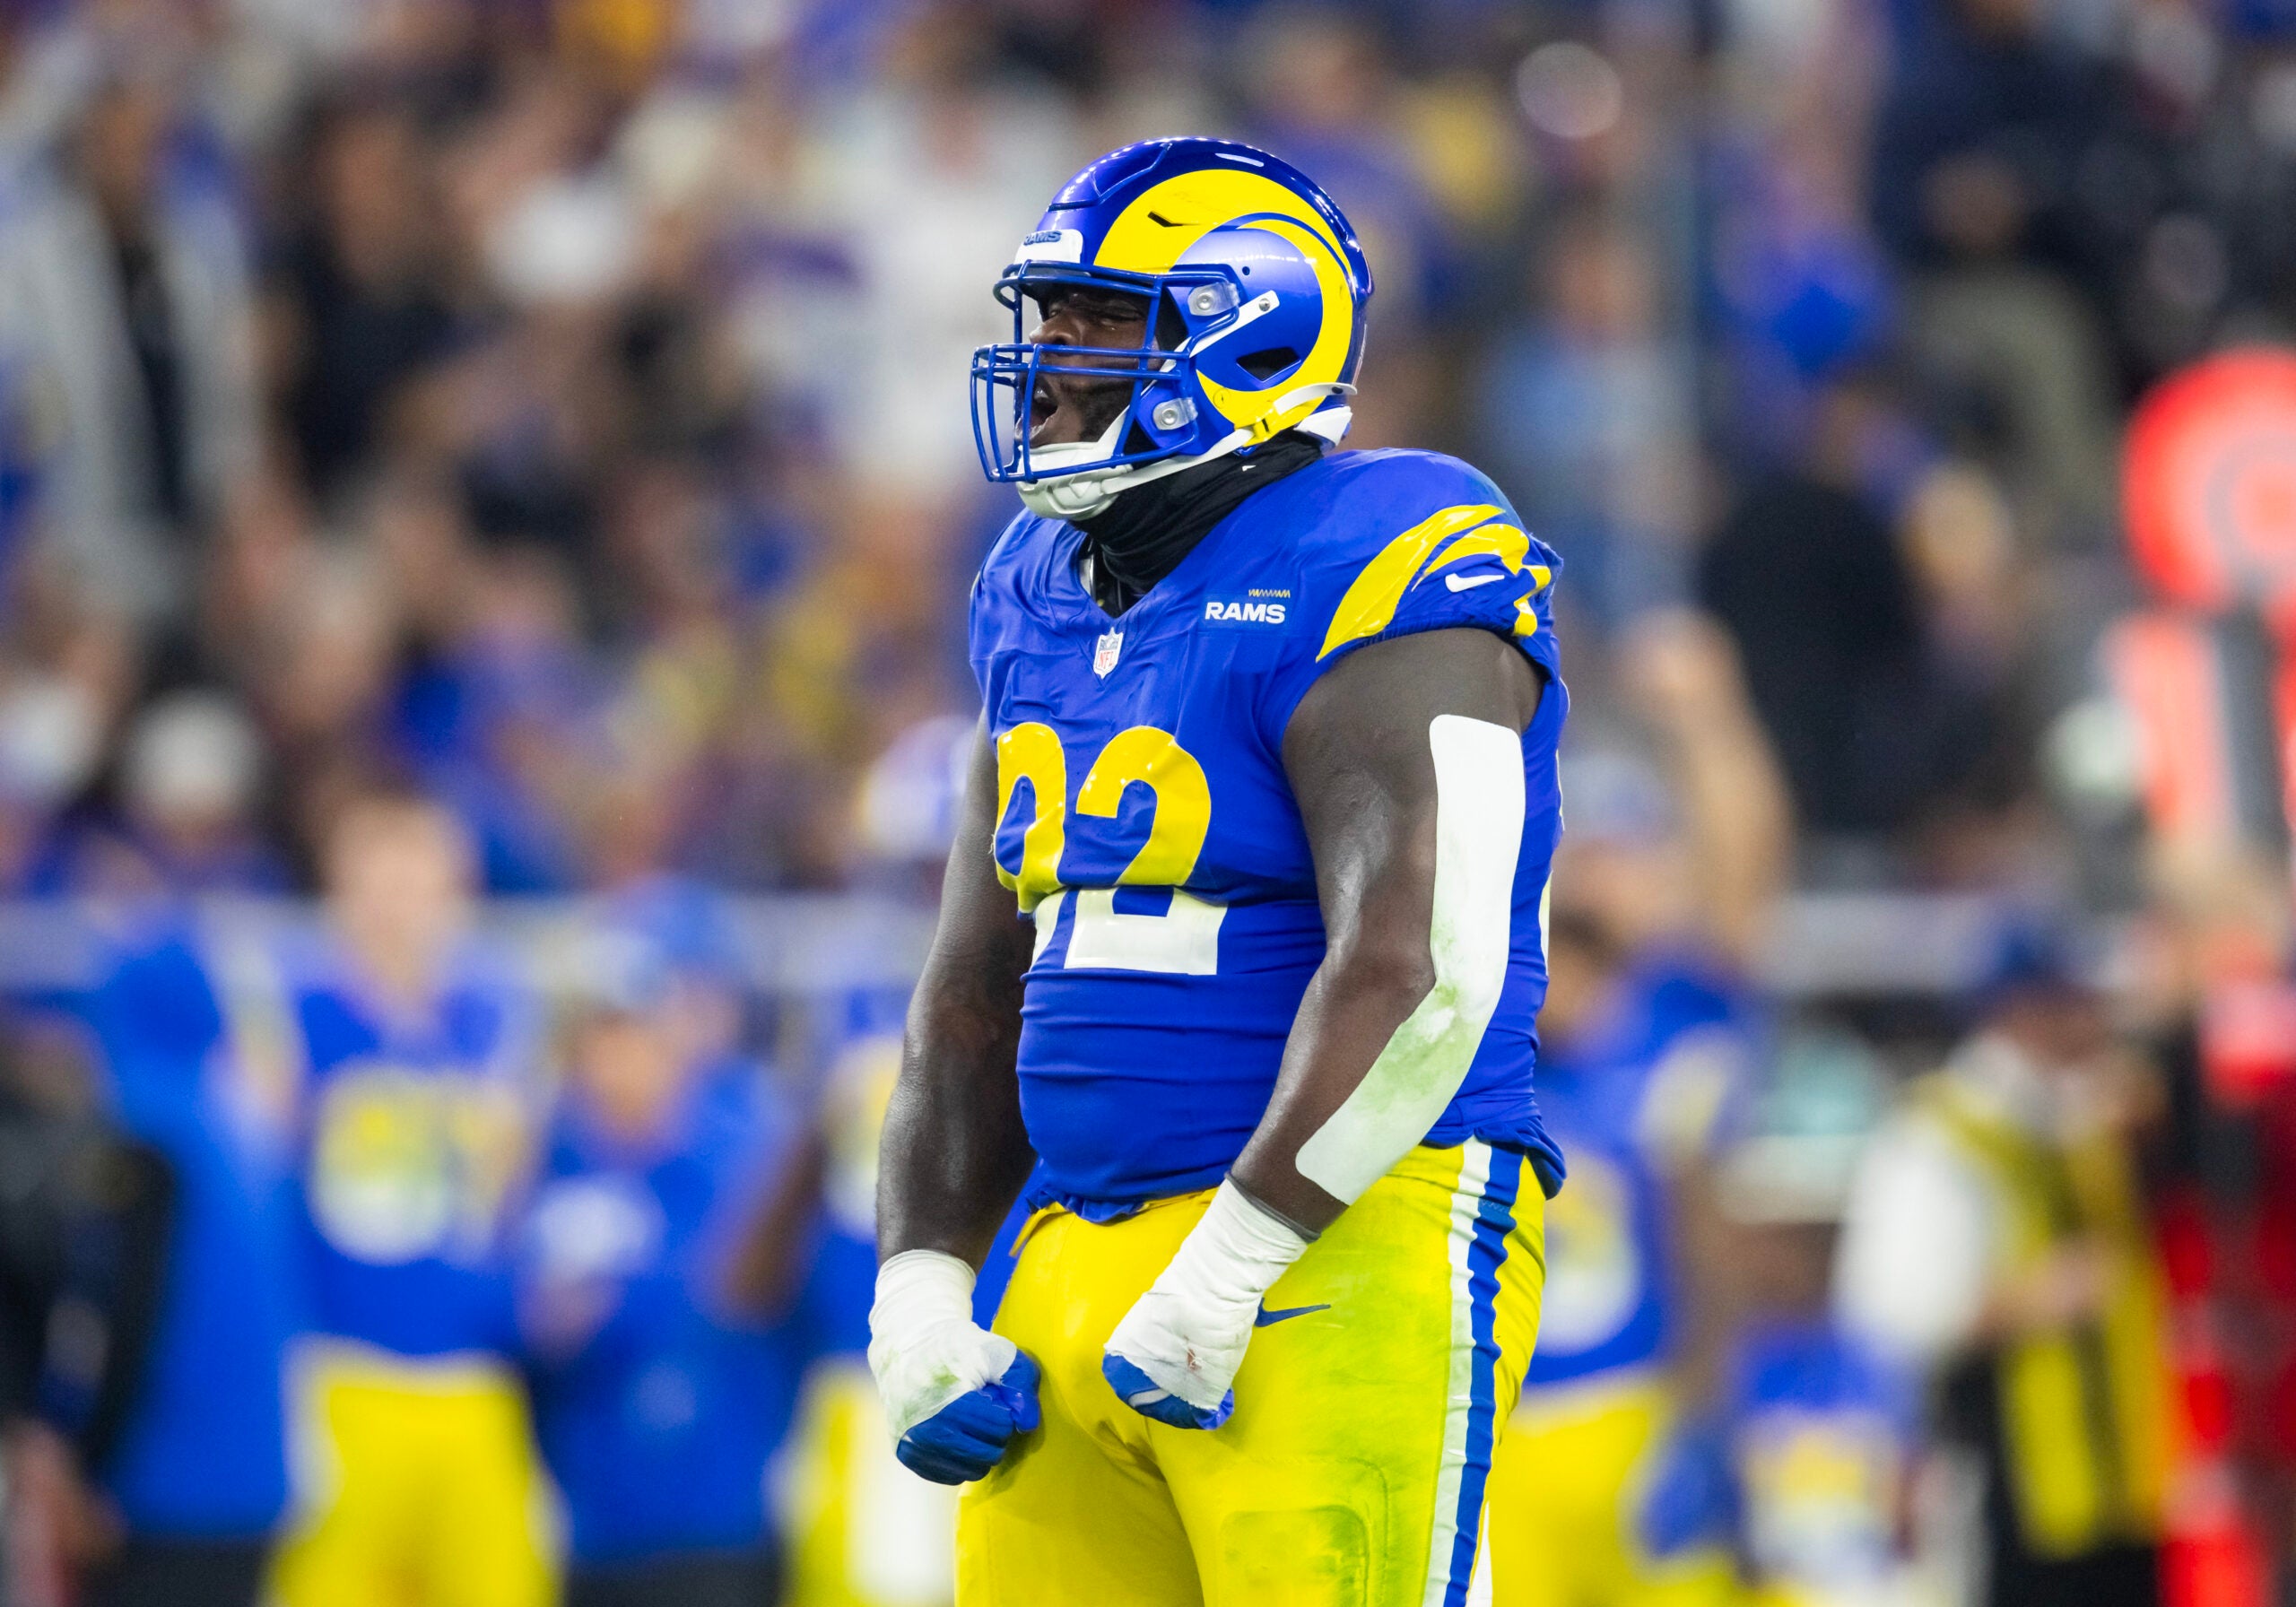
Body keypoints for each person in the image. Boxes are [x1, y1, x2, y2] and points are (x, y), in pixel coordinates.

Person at [867, 136, 1569, 1604]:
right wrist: (923, 1282)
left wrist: (1236, 1260)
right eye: (1046, 318)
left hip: (1338, 1237)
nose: (1048, 360)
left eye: (1097, 320)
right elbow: (976, 988)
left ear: (1248, 325)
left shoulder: (1391, 543)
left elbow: (1429, 965)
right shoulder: (1033, 583)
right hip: (1075, 1241)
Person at [1483, 613, 1791, 1607]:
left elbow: (1744, 873)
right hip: (1498, 1432)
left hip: (1644, 1414)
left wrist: (1708, 718)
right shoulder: (1476, 1022)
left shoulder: (1669, 1020)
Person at [261, 781, 556, 1607]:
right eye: (380, 877)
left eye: (421, 877)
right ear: (341, 886)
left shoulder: (495, 1017)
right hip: (343, 1371)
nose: (401, 903)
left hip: (471, 1375)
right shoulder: (295, 1014)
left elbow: (511, 1198)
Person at [1833, 924, 2171, 1607]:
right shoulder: (1939, 1138)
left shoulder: (2078, 1120)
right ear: (2024, 1011)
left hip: (2116, 1494)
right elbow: (1892, 1314)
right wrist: (2025, 1301)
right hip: (2009, 1493)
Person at [519, 930, 805, 1607]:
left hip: (719, 1515)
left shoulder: (742, 1152)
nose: (616, 1058)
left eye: (634, 1034)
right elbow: (515, 1312)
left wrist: (612, 1304)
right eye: (600, 1037)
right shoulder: (550, 1161)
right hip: (596, 1521)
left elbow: (736, 1296)